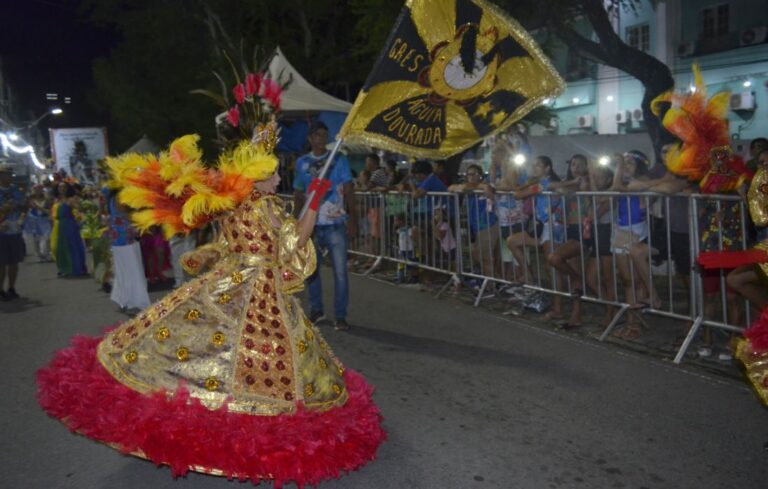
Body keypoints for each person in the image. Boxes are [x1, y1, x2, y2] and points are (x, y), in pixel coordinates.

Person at [36, 133, 385, 486]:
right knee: (261, 359)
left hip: (227, 280)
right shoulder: (265, 205)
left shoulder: (231, 203)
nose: (278, 179)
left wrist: (205, 256)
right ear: (255, 177)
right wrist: (314, 201)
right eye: (273, 174)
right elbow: (294, 241)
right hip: (258, 287)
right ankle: (252, 429)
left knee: (203, 342)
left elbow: (223, 244)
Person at [293, 121, 357, 331]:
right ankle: (317, 310)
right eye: (318, 135)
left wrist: (353, 218)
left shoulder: (338, 159)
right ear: (310, 138)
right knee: (312, 271)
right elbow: (299, 193)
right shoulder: (302, 163)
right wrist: (297, 223)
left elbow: (348, 189)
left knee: (340, 272)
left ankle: (340, 315)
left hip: (335, 223)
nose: (322, 139)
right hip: (311, 225)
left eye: (325, 135)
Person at [105, 188, 151, 312]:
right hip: (124, 236)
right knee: (131, 269)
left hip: (118, 236)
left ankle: (125, 298)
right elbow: (125, 213)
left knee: (124, 270)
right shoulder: (120, 196)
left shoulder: (112, 197)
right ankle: (133, 299)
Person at [0, 162, 26, 300]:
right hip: (1, 232)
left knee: (14, 262)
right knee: (1, 263)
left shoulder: (16, 190)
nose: (9, 176)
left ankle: (11, 287)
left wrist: (22, 218)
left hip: (15, 230)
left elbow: (23, 207)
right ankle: (1, 290)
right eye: (6, 173)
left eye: (10, 174)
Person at [53, 182, 87, 278]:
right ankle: (64, 269)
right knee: (61, 247)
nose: (62, 188)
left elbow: (80, 209)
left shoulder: (71, 199)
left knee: (73, 245)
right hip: (60, 225)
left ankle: (76, 269)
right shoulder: (56, 200)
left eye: (64, 187)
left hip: (70, 224)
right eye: (60, 187)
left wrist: (77, 204)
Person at [23, 184, 53, 262]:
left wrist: (38, 207)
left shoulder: (47, 199)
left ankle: (46, 253)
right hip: (33, 220)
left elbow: (49, 209)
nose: (37, 190)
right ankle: (39, 255)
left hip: (44, 219)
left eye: (39, 189)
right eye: (36, 189)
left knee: (47, 237)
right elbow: (25, 209)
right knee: (36, 239)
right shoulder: (29, 199)